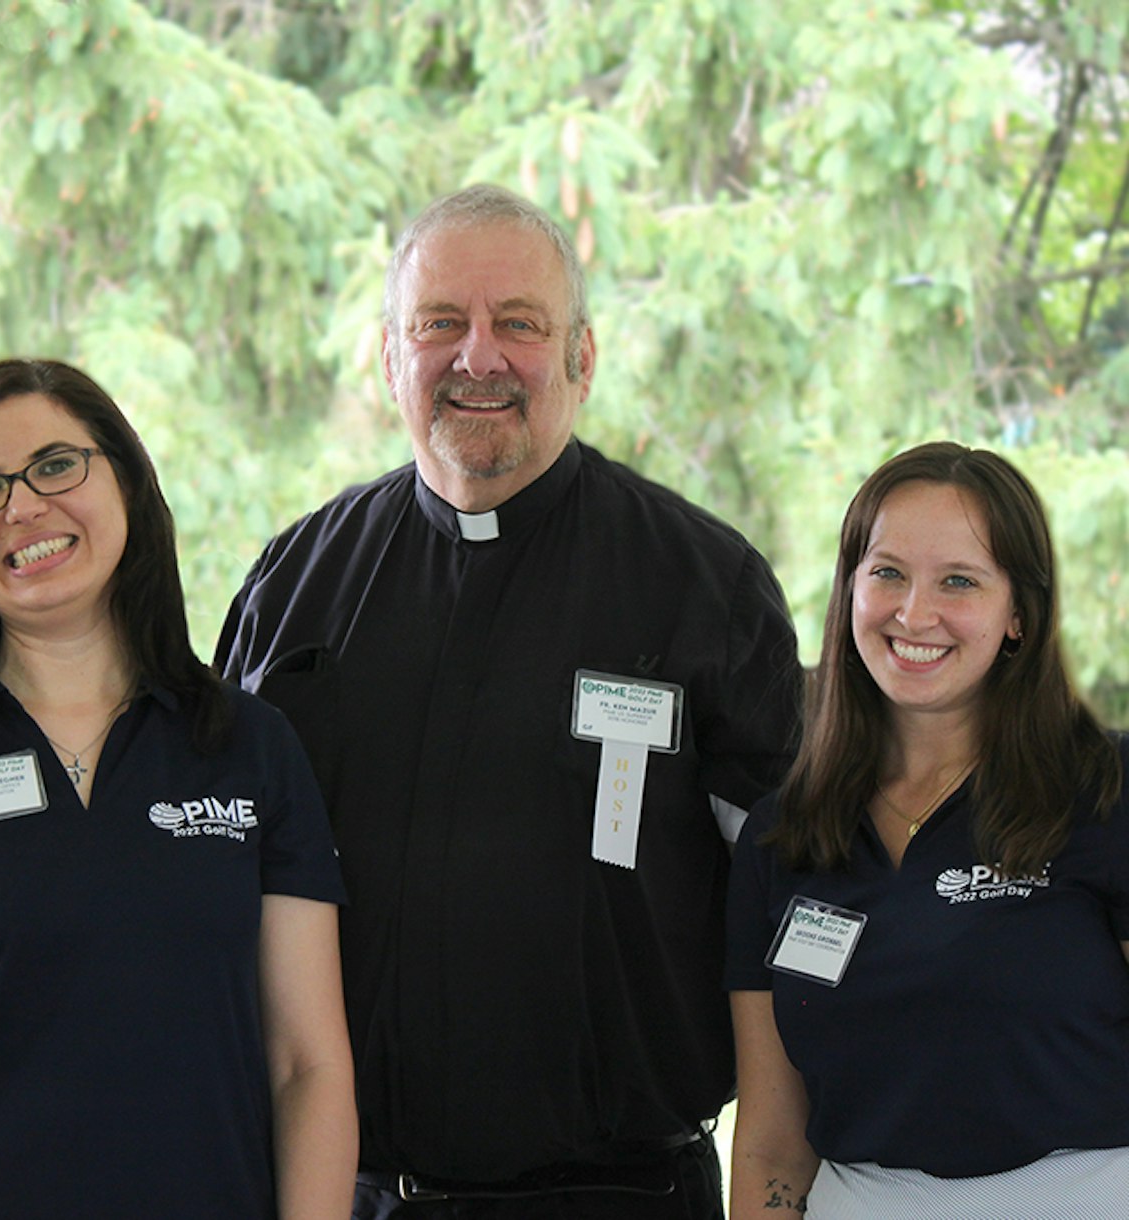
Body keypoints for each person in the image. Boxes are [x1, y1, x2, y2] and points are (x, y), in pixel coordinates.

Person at [216, 184, 802, 1218]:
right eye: (439, 323)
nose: (476, 356)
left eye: (516, 325)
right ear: (390, 355)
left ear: (581, 355)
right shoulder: (292, 583)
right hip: (344, 1194)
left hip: (619, 1194)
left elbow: (791, 908)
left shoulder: (701, 584)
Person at [0, 358, 357, 1218]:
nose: (23, 507)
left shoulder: (249, 748)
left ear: (127, 482)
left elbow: (308, 1067)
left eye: (58, 465)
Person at [726, 442, 1129, 1218]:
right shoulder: (786, 836)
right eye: (887, 573)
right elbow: (773, 1144)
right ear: (849, 590)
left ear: (1019, 613)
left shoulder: (1103, 794)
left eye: (959, 581)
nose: (915, 614)